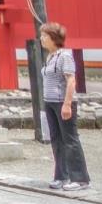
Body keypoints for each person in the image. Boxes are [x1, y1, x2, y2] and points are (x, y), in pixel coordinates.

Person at [39, 22, 91, 191]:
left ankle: (80, 178)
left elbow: (71, 80)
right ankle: (61, 175)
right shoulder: (50, 57)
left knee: (70, 139)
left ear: (54, 38)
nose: (41, 39)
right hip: (50, 101)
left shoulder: (64, 56)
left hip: (63, 101)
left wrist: (67, 103)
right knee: (56, 139)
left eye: (45, 36)